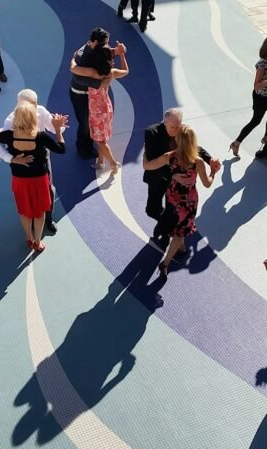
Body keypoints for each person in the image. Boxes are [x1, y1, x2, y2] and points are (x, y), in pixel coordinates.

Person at [0, 103, 67, 252]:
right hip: (39, 180)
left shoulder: (9, 136)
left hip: (19, 180)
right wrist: (57, 130)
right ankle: (38, 241)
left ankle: (29, 238)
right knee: (40, 212)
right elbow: (61, 149)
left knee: (25, 210)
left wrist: (12, 158)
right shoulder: (41, 137)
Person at [143, 124, 218, 277]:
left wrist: (146, 153)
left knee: (175, 222)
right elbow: (207, 184)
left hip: (172, 196)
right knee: (180, 232)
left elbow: (148, 166)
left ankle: (181, 248)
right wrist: (213, 172)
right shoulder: (197, 162)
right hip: (188, 201)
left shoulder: (170, 156)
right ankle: (165, 263)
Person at [143, 109, 220, 243]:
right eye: (173, 127)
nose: (176, 130)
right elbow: (152, 160)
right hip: (158, 178)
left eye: (178, 126)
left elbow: (193, 147)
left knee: (171, 211)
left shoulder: (181, 131)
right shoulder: (152, 133)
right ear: (165, 122)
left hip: (176, 186)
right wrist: (173, 175)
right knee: (152, 210)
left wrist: (210, 159)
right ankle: (165, 225)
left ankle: (167, 231)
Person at [230, 35, 267, 158]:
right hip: (260, 97)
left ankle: (266, 137)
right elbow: (256, 86)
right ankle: (236, 143)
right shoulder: (262, 64)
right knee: (256, 121)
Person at [84, 42, 129, 173]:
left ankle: (113, 163)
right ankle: (101, 162)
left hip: (96, 111)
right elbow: (126, 71)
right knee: (101, 138)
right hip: (106, 107)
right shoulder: (111, 73)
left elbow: (77, 67)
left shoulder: (92, 74)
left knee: (99, 142)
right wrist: (121, 54)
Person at [69, 27, 110, 159]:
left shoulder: (97, 50)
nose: (106, 46)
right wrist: (99, 82)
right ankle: (82, 147)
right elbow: (78, 78)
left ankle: (89, 144)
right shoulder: (82, 56)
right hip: (79, 95)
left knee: (91, 121)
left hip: (91, 95)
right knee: (85, 123)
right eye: (104, 43)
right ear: (95, 41)